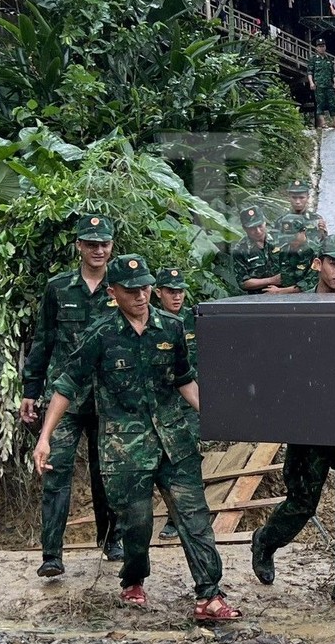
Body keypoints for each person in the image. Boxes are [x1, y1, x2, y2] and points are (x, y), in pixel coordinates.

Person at [36, 254, 239, 623]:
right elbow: (66, 386)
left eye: (145, 287)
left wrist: (214, 415)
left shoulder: (172, 328)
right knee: (137, 523)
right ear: (113, 292)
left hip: (173, 442)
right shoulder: (100, 335)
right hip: (125, 449)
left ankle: (209, 594)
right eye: (131, 290)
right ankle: (133, 579)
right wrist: (45, 437)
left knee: (194, 518)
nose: (141, 296)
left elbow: (184, 380)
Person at [250, 234, 335, 601]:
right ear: (318, 263)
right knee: (302, 502)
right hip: (309, 422)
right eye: (334, 263)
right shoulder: (296, 305)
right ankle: (266, 541)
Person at [19, 212, 121, 579]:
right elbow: (43, 340)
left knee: (107, 472)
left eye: (104, 244)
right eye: (91, 244)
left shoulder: (121, 286)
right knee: (55, 471)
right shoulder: (58, 288)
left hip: (110, 398)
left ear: (111, 247)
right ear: (78, 246)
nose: (98, 250)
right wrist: (31, 390)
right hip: (65, 399)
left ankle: (111, 541)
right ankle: (51, 555)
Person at [153, 265, 196, 541]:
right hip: (161, 401)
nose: (176, 297)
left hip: (190, 401)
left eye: (180, 291)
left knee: (187, 460)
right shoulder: (150, 322)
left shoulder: (195, 319)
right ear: (158, 293)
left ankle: (176, 520)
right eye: (171, 291)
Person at [228, 205, 282, 294]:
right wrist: (272, 280)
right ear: (244, 228)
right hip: (257, 299)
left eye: (260, 225)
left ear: (265, 222)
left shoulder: (281, 239)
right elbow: (244, 283)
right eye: (252, 228)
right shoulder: (240, 250)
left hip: (287, 295)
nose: (258, 231)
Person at [269, 229, 320, 294]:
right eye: (288, 236)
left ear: (303, 232)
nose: (291, 239)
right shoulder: (283, 250)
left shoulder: (314, 251)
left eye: (294, 236)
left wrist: (279, 291)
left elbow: (312, 282)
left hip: (305, 298)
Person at [310, 41, 335, 127]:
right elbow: (310, 72)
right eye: (319, 46)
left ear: (325, 47)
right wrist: (311, 83)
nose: (321, 48)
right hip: (319, 85)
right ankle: (323, 123)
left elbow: (332, 73)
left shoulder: (328, 60)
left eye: (323, 46)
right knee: (320, 103)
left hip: (329, 85)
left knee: (333, 103)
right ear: (316, 48)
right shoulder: (314, 59)